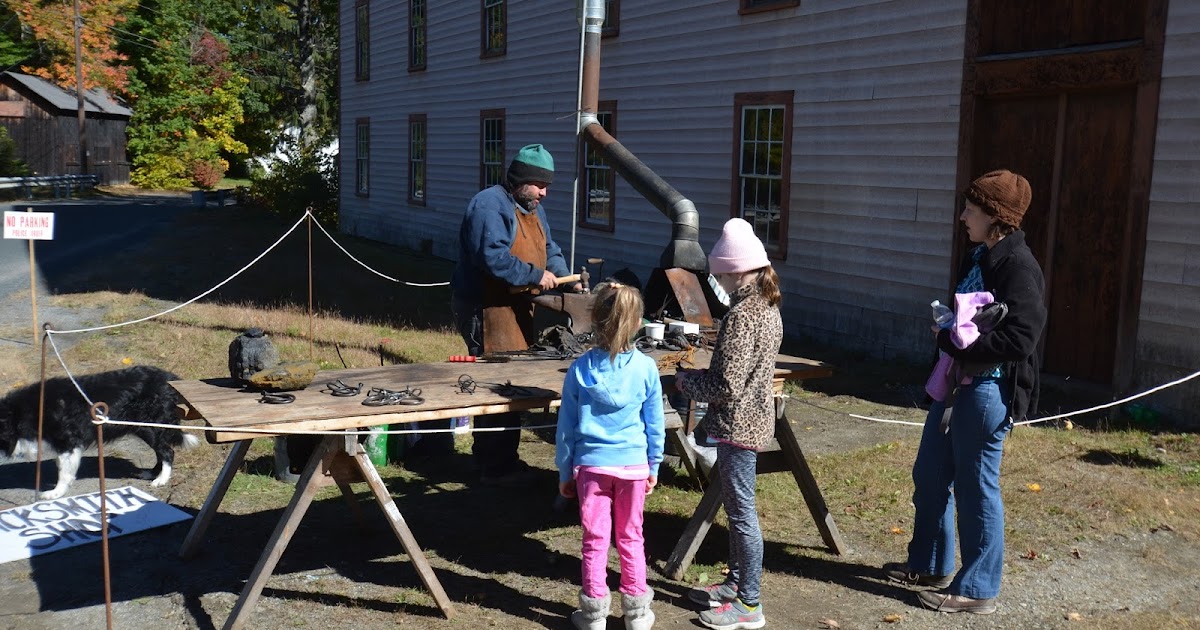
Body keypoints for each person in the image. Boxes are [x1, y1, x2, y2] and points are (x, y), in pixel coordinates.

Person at [883, 169, 1047, 615]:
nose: (962, 217)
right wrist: (948, 330)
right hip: (954, 387)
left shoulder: (1019, 266)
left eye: (970, 210)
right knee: (931, 473)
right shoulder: (977, 257)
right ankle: (931, 564)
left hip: (988, 393)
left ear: (996, 217)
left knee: (976, 488)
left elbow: (1021, 340)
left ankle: (977, 588)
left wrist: (958, 342)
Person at [675, 217, 783, 630]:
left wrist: (687, 382)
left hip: (738, 425)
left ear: (737, 269)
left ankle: (750, 604)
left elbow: (725, 385)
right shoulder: (767, 304)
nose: (718, 279)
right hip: (754, 419)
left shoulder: (743, 316)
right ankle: (737, 583)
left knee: (742, 515)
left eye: (720, 272)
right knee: (740, 509)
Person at [450, 144, 576, 486]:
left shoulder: (531, 207)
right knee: (494, 386)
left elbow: (550, 249)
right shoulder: (489, 205)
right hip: (485, 308)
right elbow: (492, 258)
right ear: (521, 180)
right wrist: (535, 276)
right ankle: (493, 465)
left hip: (515, 307)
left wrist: (565, 281)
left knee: (512, 384)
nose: (544, 192)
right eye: (539, 185)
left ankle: (503, 458)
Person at [556, 281, 665, 630]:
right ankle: (636, 613)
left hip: (591, 465)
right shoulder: (647, 369)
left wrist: (564, 470)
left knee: (595, 538)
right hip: (633, 464)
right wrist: (654, 464)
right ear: (637, 324)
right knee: (632, 536)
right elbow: (655, 424)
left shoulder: (579, 369)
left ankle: (593, 615)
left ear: (595, 321)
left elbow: (566, 427)